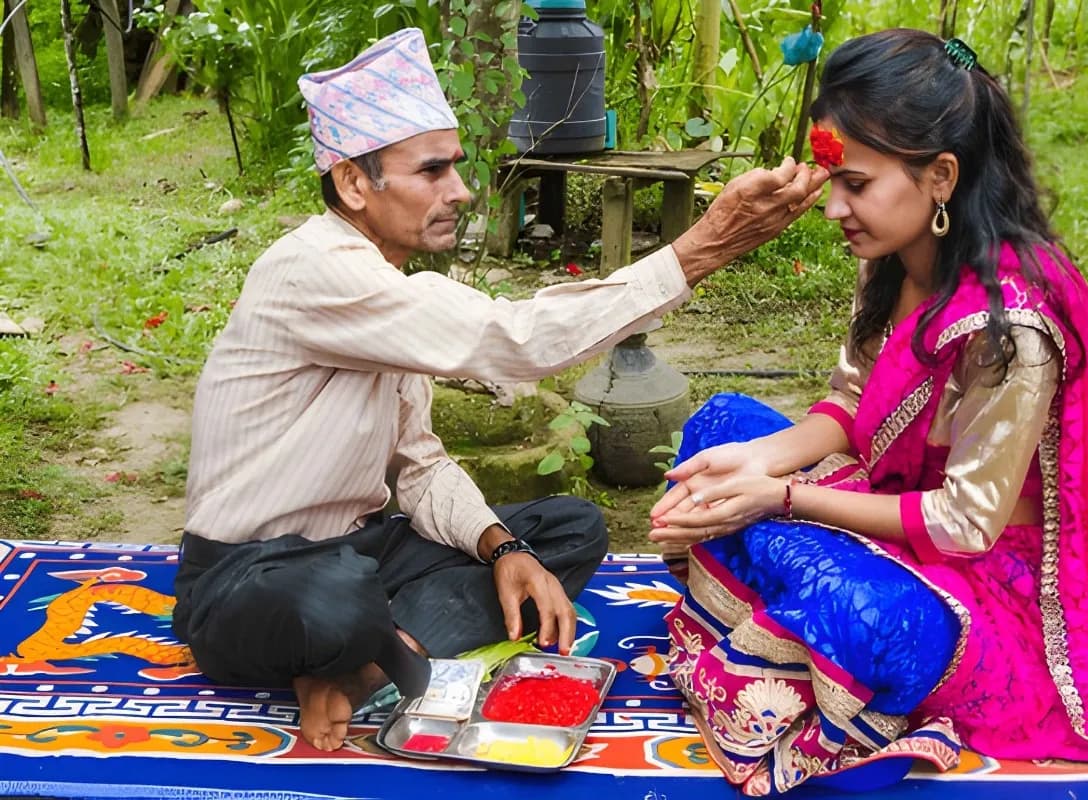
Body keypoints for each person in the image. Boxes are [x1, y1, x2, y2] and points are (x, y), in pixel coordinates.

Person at [170, 28, 828, 754]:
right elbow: (519, 341)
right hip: (250, 576)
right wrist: (703, 245)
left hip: (360, 551)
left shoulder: (385, 285)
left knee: (568, 530)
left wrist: (502, 547)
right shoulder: (313, 270)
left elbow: (419, 465)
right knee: (332, 601)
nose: (458, 190)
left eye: (454, 167)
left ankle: (369, 662)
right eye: (431, 171)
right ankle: (361, 641)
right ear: (355, 184)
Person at [648, 29, 1088, 795]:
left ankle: (794, 625)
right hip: (883, 504)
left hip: (984, 587)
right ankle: (786, 624)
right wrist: (760, 462)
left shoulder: (1012, 327)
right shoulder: (891, 255)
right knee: (720, 429)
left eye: (857, 184)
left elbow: (964, 525)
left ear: (940, 176)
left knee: (863, 614)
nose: (834, 207)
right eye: (833, 180)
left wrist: (781, 498)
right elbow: (850, 399)